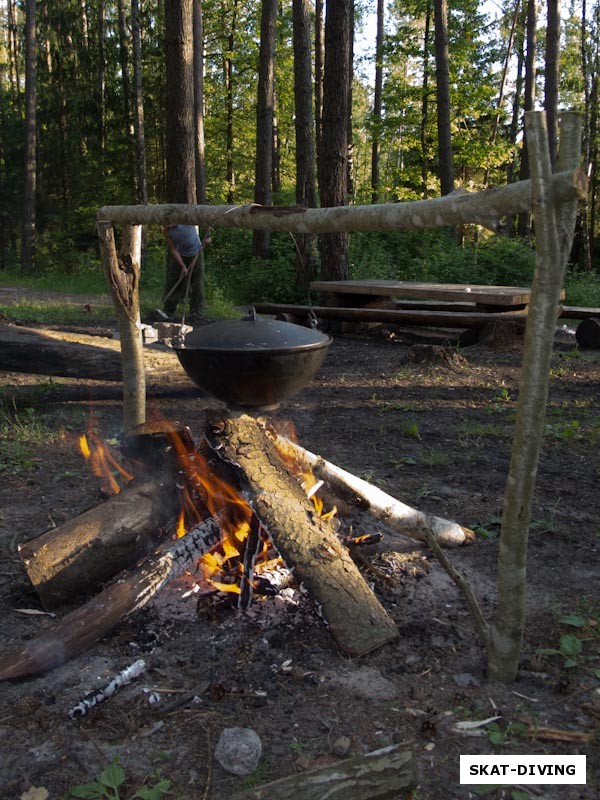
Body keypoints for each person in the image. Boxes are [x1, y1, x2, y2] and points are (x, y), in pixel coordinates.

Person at [162, 224, 211, 320]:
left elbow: (206, 221)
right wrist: (183, 266)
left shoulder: (187, 220)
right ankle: (168, 311)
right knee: (175, 281)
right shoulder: (167, 231)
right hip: (181, 255)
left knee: (197, 283)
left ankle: (196, 313)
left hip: (196, 253)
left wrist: (208, 236)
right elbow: (173, 249)